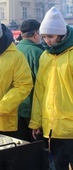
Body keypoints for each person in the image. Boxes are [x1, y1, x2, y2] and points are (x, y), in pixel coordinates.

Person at [28, 6, 73, 170]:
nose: (47, 40)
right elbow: (39, 91)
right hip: (52, 128)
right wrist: (35, 121)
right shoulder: (45, 56)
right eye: (44, 36)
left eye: (51, 36)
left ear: (61, 34)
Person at [16, 19, 44, 142]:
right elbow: (42, 85)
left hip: (15, 108)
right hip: (31, 110)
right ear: (36, 34)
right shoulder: (37, 52)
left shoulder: (14, 50)